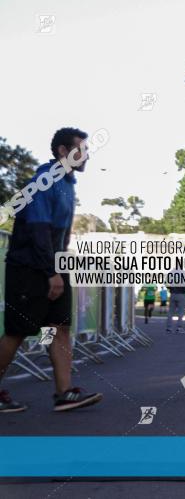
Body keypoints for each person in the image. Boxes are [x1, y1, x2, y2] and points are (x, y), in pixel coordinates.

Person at [0, 127, 102, 413]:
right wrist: (50, 273)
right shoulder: (45, 180)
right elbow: (38, 231)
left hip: (53, 266)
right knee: (17, 332)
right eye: (80, 148)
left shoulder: (67, 183)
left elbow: (59, 236)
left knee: (59, 328)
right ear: (62, 151)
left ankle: (64, 393)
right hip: (30, 268)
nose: (86, 155)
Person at [166, 268, 185, 333]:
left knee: (171, 311)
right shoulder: (184, 273)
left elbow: (167, 283)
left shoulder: (171, 272)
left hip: (173, 293)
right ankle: (179, 328)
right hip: (182, 294)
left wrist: (171, 289)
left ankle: (169, 328)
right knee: (181, 312)